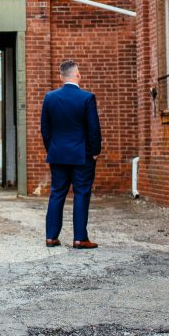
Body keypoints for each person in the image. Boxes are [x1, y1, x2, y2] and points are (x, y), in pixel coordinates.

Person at [40, 59, 102, 249]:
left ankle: (51, 237)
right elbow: (93, 129)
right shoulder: (87, 98)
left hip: (58, 154)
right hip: (82, 155)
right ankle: (79, 238)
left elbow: (45, 129)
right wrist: (95, 152)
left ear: (61, 77)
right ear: (78, 74)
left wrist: (52, 149)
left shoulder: (50, 98)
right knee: (81, 194)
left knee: (57, 193)